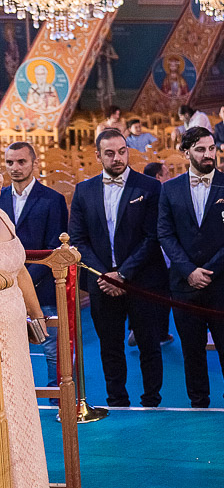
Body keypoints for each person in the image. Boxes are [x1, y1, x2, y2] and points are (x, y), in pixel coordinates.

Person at [69, 129, 168, 408]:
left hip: (142, 280)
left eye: (122, 151)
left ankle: (152, 401)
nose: (117, 158)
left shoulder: (149, 187)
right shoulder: (83, 191)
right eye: (110, 153)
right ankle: (117, 401)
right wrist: (104, 275)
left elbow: (153, 237)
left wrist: (122, 275)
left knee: (149, 345)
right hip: (101, 282)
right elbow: (78, 239)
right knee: (110, 347)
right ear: (98, 155)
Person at [158, 127, 224, 408]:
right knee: (191, 350)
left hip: (222, 283)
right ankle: (199, 404)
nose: (208, 154)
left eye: (211, 148)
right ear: (186, 153)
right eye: (200, 149)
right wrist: (189, 271)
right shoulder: (169, 189)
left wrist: (209, 270)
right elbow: (165, 233)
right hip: (184, 285)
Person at [0, 205, 52, 488]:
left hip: (15, 324)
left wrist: (38, 315)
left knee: (19, 407)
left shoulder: (3, 215)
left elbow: (20, 270)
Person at [2, 141, 67, 386]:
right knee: (11, 354)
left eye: (21, 162)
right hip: (6, 290)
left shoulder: (53, 199)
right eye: (10, 162)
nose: (15, 167)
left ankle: (57, 403)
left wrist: (24, 279)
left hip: (43, 288)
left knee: (52, 350)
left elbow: (53, 246)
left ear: (34, 163)